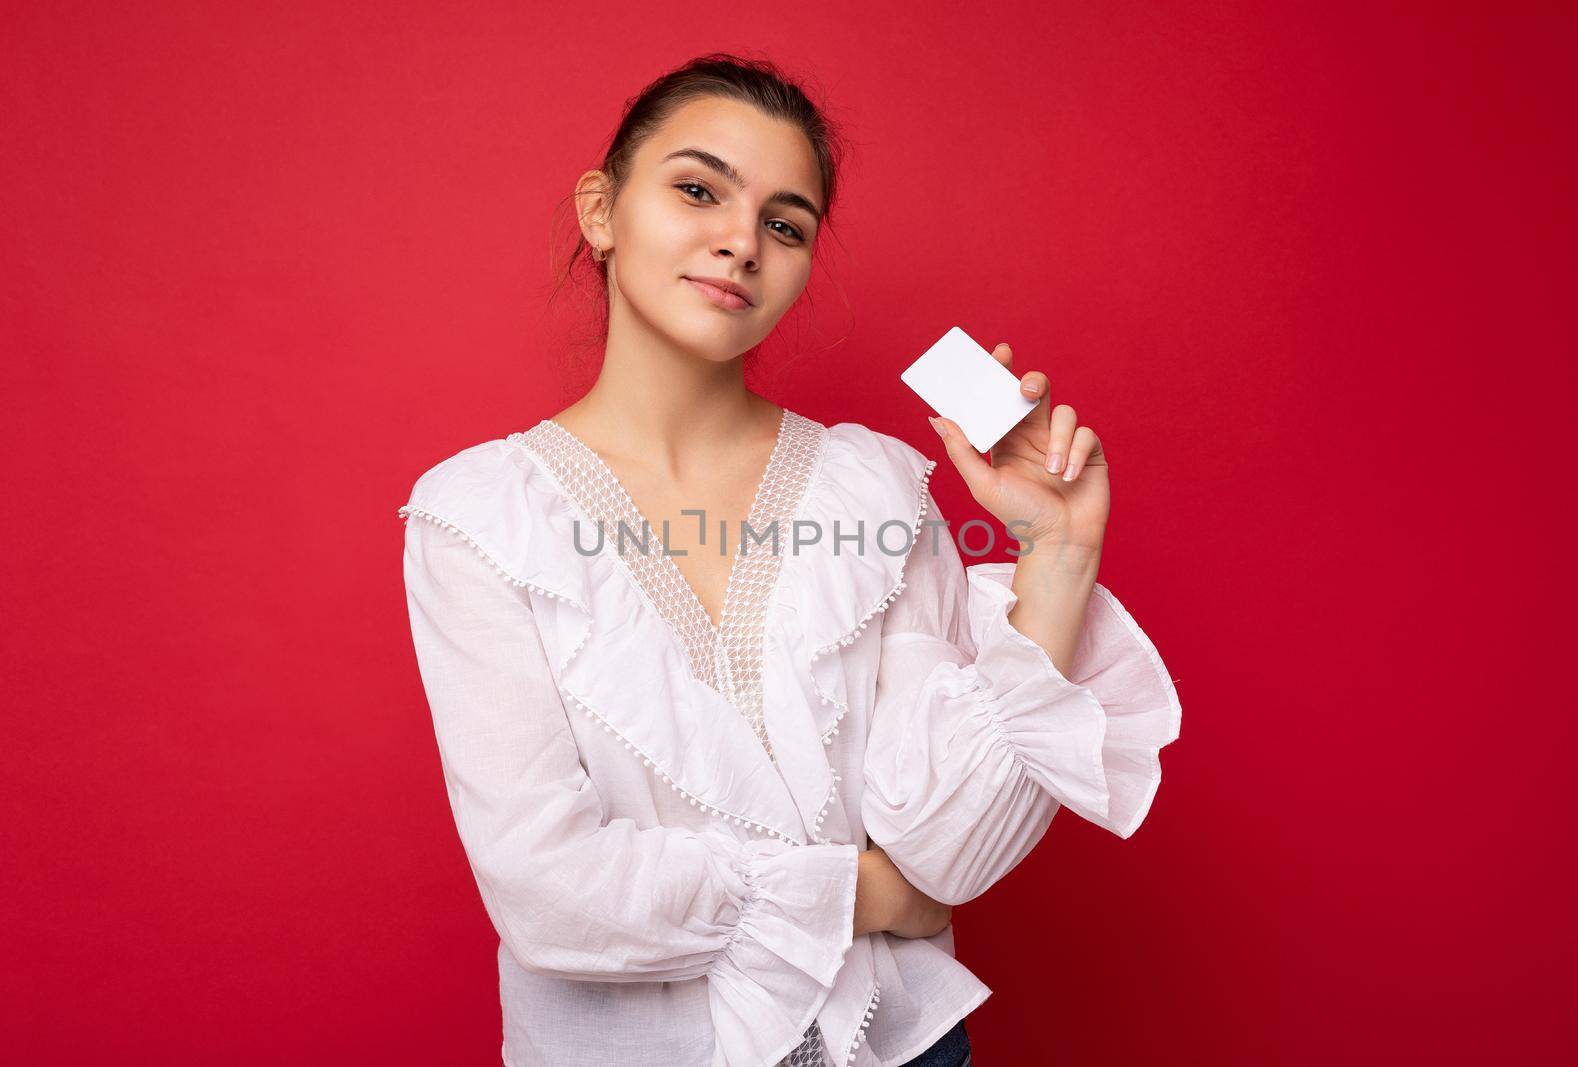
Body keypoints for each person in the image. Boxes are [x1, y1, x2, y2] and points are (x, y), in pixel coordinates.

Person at [398, 52, 1181, 1067]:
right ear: (601, 211)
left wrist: (1059, 554)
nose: (739, 242)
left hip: (899, 1045)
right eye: (697, 190)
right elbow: (549, 894)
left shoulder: (875, 488)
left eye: (784, 222)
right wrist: (862, 891)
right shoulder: (476, 515)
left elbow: (948, 853)